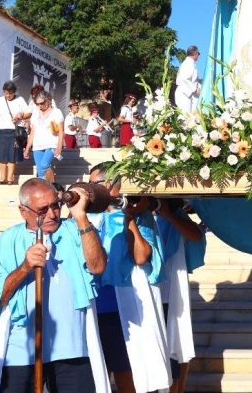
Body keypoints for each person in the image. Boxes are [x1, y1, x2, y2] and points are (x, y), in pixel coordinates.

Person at [0, 178, 108, 393]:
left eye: (55, 206)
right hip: (22, 349)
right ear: (23, 211)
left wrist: (81, 217)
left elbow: (98, 266)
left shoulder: (75, 230)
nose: (51, 214)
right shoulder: (8, 239)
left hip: (72, 347)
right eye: (42, 209)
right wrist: (25, 267)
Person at [87, 165, 172, 393]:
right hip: (93, 303)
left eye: (91, 184)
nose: (87, 190)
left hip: (121, 305)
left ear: (106, 186)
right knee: (96, 373)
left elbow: (142, 255)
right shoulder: (87, 216)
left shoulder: (139, 216)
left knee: (126, 372)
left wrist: (130, 217)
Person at [156, 199, 207, 393]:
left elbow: (195, 235)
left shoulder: (177, 217)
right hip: (153, 293)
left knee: (176, 347)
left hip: (170, 293)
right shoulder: (144, 217)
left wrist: (168, 214)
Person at [0, 81, 31, 186]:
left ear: (14, 92)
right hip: (1, 130)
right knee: (2, 155)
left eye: (10, 93)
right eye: (6, 93)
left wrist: (20, 116)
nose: (8, 95)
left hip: (14, 131)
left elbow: (29, 113)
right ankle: (2, 177)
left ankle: (10, 178)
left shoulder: (20, 100)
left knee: (12, 155)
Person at [24, 91, 64, 183]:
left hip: (51, 143)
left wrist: (59, 147)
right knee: (40, 173)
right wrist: (27, 148)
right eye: (37, 104)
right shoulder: (35, 113)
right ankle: (46, 192)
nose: (40, 106)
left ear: (48, 100)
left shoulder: (56, 112)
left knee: (44, 165)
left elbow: (61, 131)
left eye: (42, 103)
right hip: (37, 145)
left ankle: (54, 187)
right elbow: (33, 131)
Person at [174, 46, 201, 114]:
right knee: (185, 116)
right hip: (184, 93)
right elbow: (184, 79)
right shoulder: (188, 64)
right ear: (195, 53)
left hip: (187, 92)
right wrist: (194, 89)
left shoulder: (189, 63)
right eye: (198, 54)